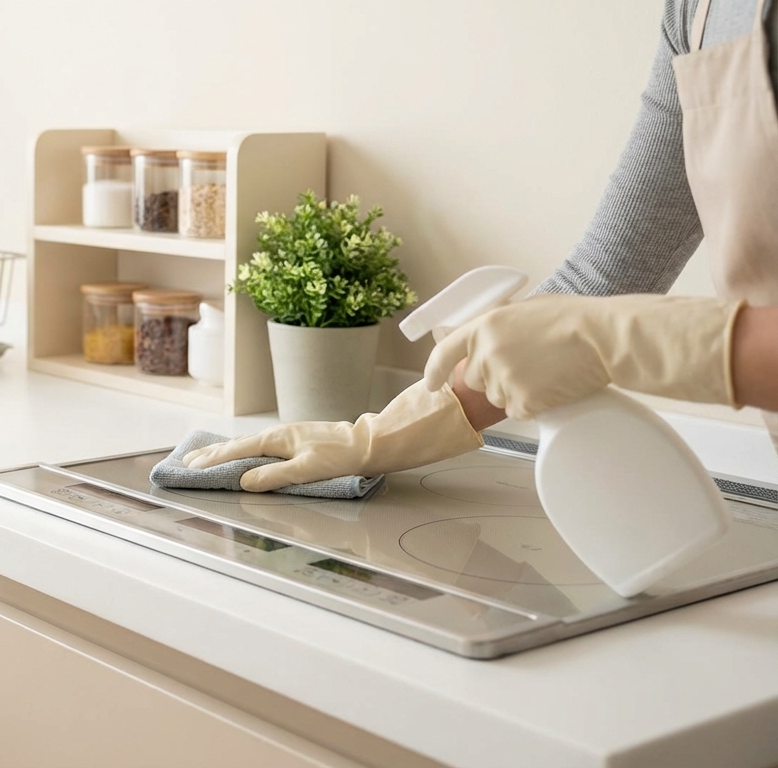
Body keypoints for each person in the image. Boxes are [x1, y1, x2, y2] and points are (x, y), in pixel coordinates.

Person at [185, 0, 778, 491]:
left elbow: (598, 319)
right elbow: (605, 274)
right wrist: (382, 433)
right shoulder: (697, 12)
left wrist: (615, 339)